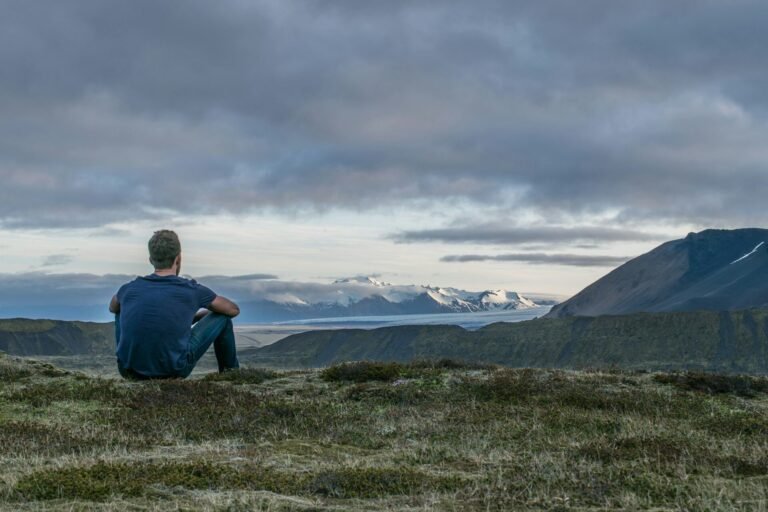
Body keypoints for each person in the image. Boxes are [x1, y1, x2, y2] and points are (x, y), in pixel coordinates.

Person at [109, 230, 240, 379]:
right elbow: (233, 310)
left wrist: (192, 317)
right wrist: (208, 313)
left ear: (151, 259)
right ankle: (231, 374)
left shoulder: (128, 289)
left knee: (119, 309)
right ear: (178, 258)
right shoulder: (191, 290)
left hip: (128, 371)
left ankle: (130, 360)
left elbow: (112, 307)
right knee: (223, 317)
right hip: (174, 370)